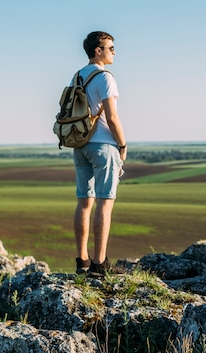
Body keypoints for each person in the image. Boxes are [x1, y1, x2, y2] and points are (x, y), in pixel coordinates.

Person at [72, 31, 127, 276]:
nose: (114, 52)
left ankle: (82, 262)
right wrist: (123, 145)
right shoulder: (105, 77)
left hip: (80, 144)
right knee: (105, 203)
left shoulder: (78, 76)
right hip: (103, 145)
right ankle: (100, 264)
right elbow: (112, 117)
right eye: (111, 48)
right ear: (98, 50)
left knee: (84, 202)